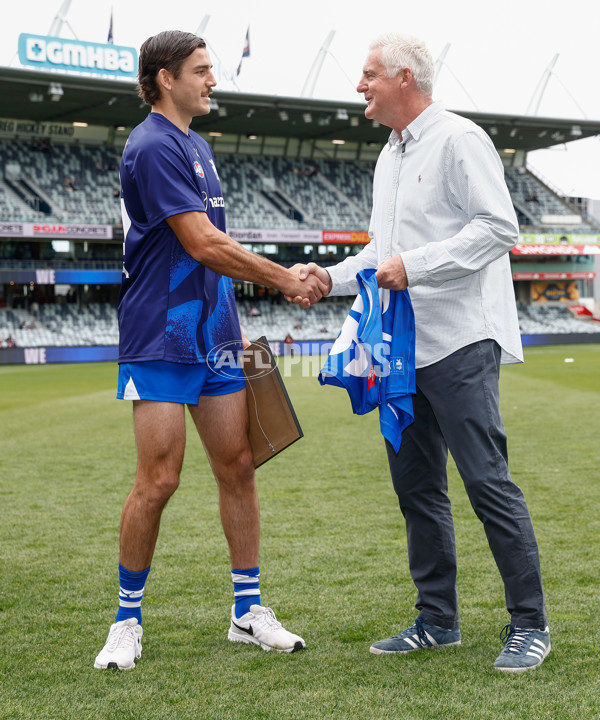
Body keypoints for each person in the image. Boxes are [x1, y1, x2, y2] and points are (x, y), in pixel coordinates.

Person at [294, 32, 550, 673]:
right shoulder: (389, 155)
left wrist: (417, 265)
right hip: (400, 350)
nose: (360, 85)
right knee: (417, 490)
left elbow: (499, 227)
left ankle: (530, 625)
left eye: (369, 74)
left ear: (404, 78)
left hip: (461, 341)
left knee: (487, 483)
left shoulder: (460, 140)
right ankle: (438, 621)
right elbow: (383, 257)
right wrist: (332, 278)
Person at [94, 30, 326, 671]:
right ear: (166, 78)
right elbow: (201, 243)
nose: (212, 79)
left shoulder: (197, 146)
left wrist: (241, 315)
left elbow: (212, 258)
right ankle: (126, 622)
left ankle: (247, 611)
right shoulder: (152, 143)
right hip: (159, 336)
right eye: (201, 70)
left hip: (217, 334)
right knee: (159, 480)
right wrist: (283, 278)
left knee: (239, 467)